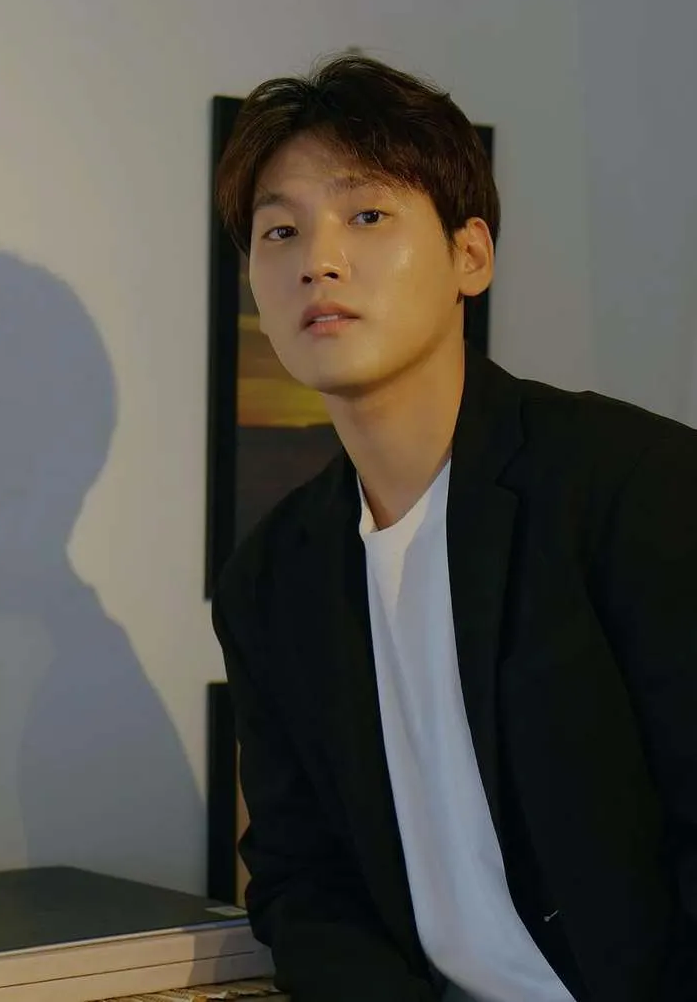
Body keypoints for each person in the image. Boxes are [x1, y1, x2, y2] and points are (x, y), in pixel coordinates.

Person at [210, 55, 697, 1002]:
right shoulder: (270, 583)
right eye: (281, 230)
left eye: (366, 215)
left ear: (470, 254)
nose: (318, 259)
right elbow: (303, 880)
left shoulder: (631, 487)